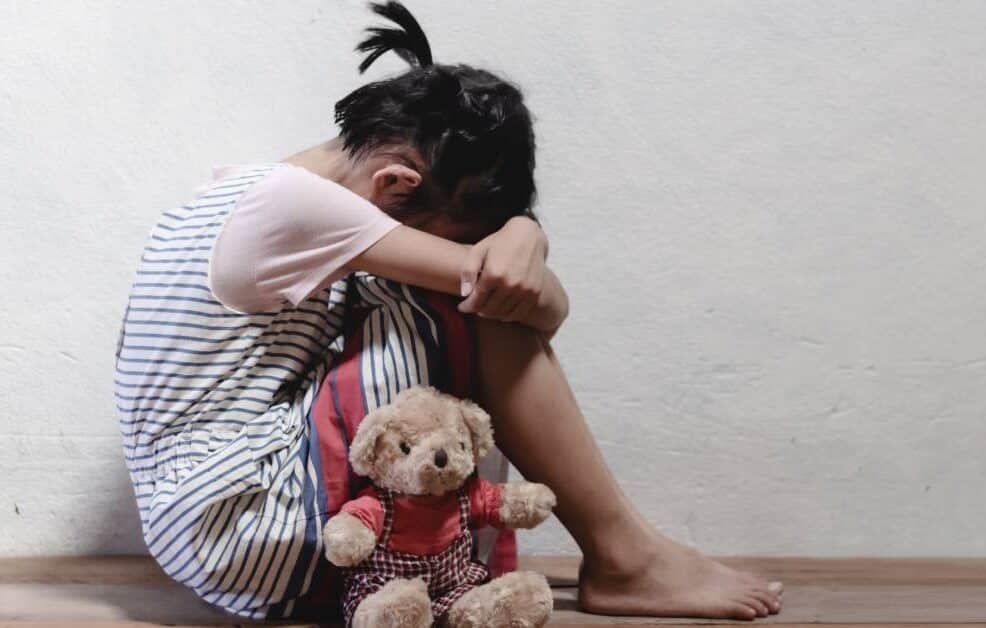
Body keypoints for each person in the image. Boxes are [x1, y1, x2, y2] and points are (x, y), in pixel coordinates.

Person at [114, 1, 783, 622]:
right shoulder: (299, 210)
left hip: (210, 532)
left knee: (419, 298)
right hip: (247, 529)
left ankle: (608, 554)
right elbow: (531, 305)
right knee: (464, 305)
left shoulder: (249, 190)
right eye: (459, 234)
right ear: (396, 185)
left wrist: (523, 233)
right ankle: (624, 556)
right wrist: (525, 237)